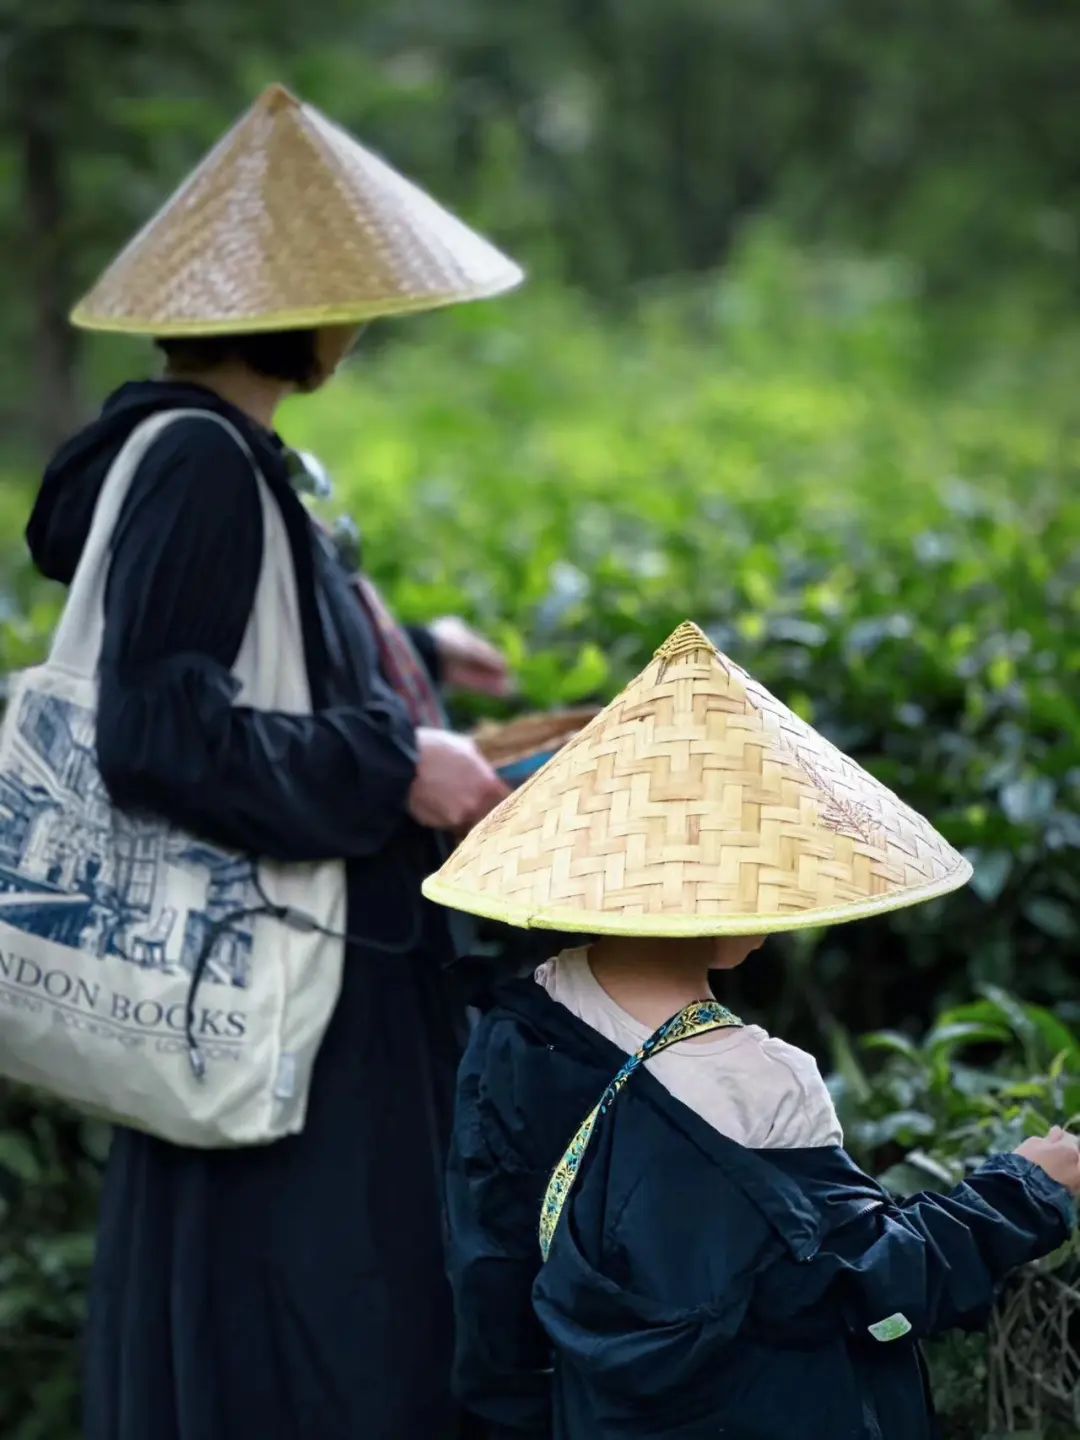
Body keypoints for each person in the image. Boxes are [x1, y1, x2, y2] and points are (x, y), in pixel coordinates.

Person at [26, 84, 524, 1440]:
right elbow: (160, 736)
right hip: (293, 988)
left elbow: (228, 669)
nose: (358, 330)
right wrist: (390, 763)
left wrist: (406, 651)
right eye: (350, 301)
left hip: (283, 982)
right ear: (297, 315)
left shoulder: (203, 451)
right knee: (330, 1333)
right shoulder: (199, 464)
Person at [424, 622, 1079, 1440]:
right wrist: (1030, 1187)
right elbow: (867, 1278)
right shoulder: (762, 1081)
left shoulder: (513, 1034)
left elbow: (492, 1276)